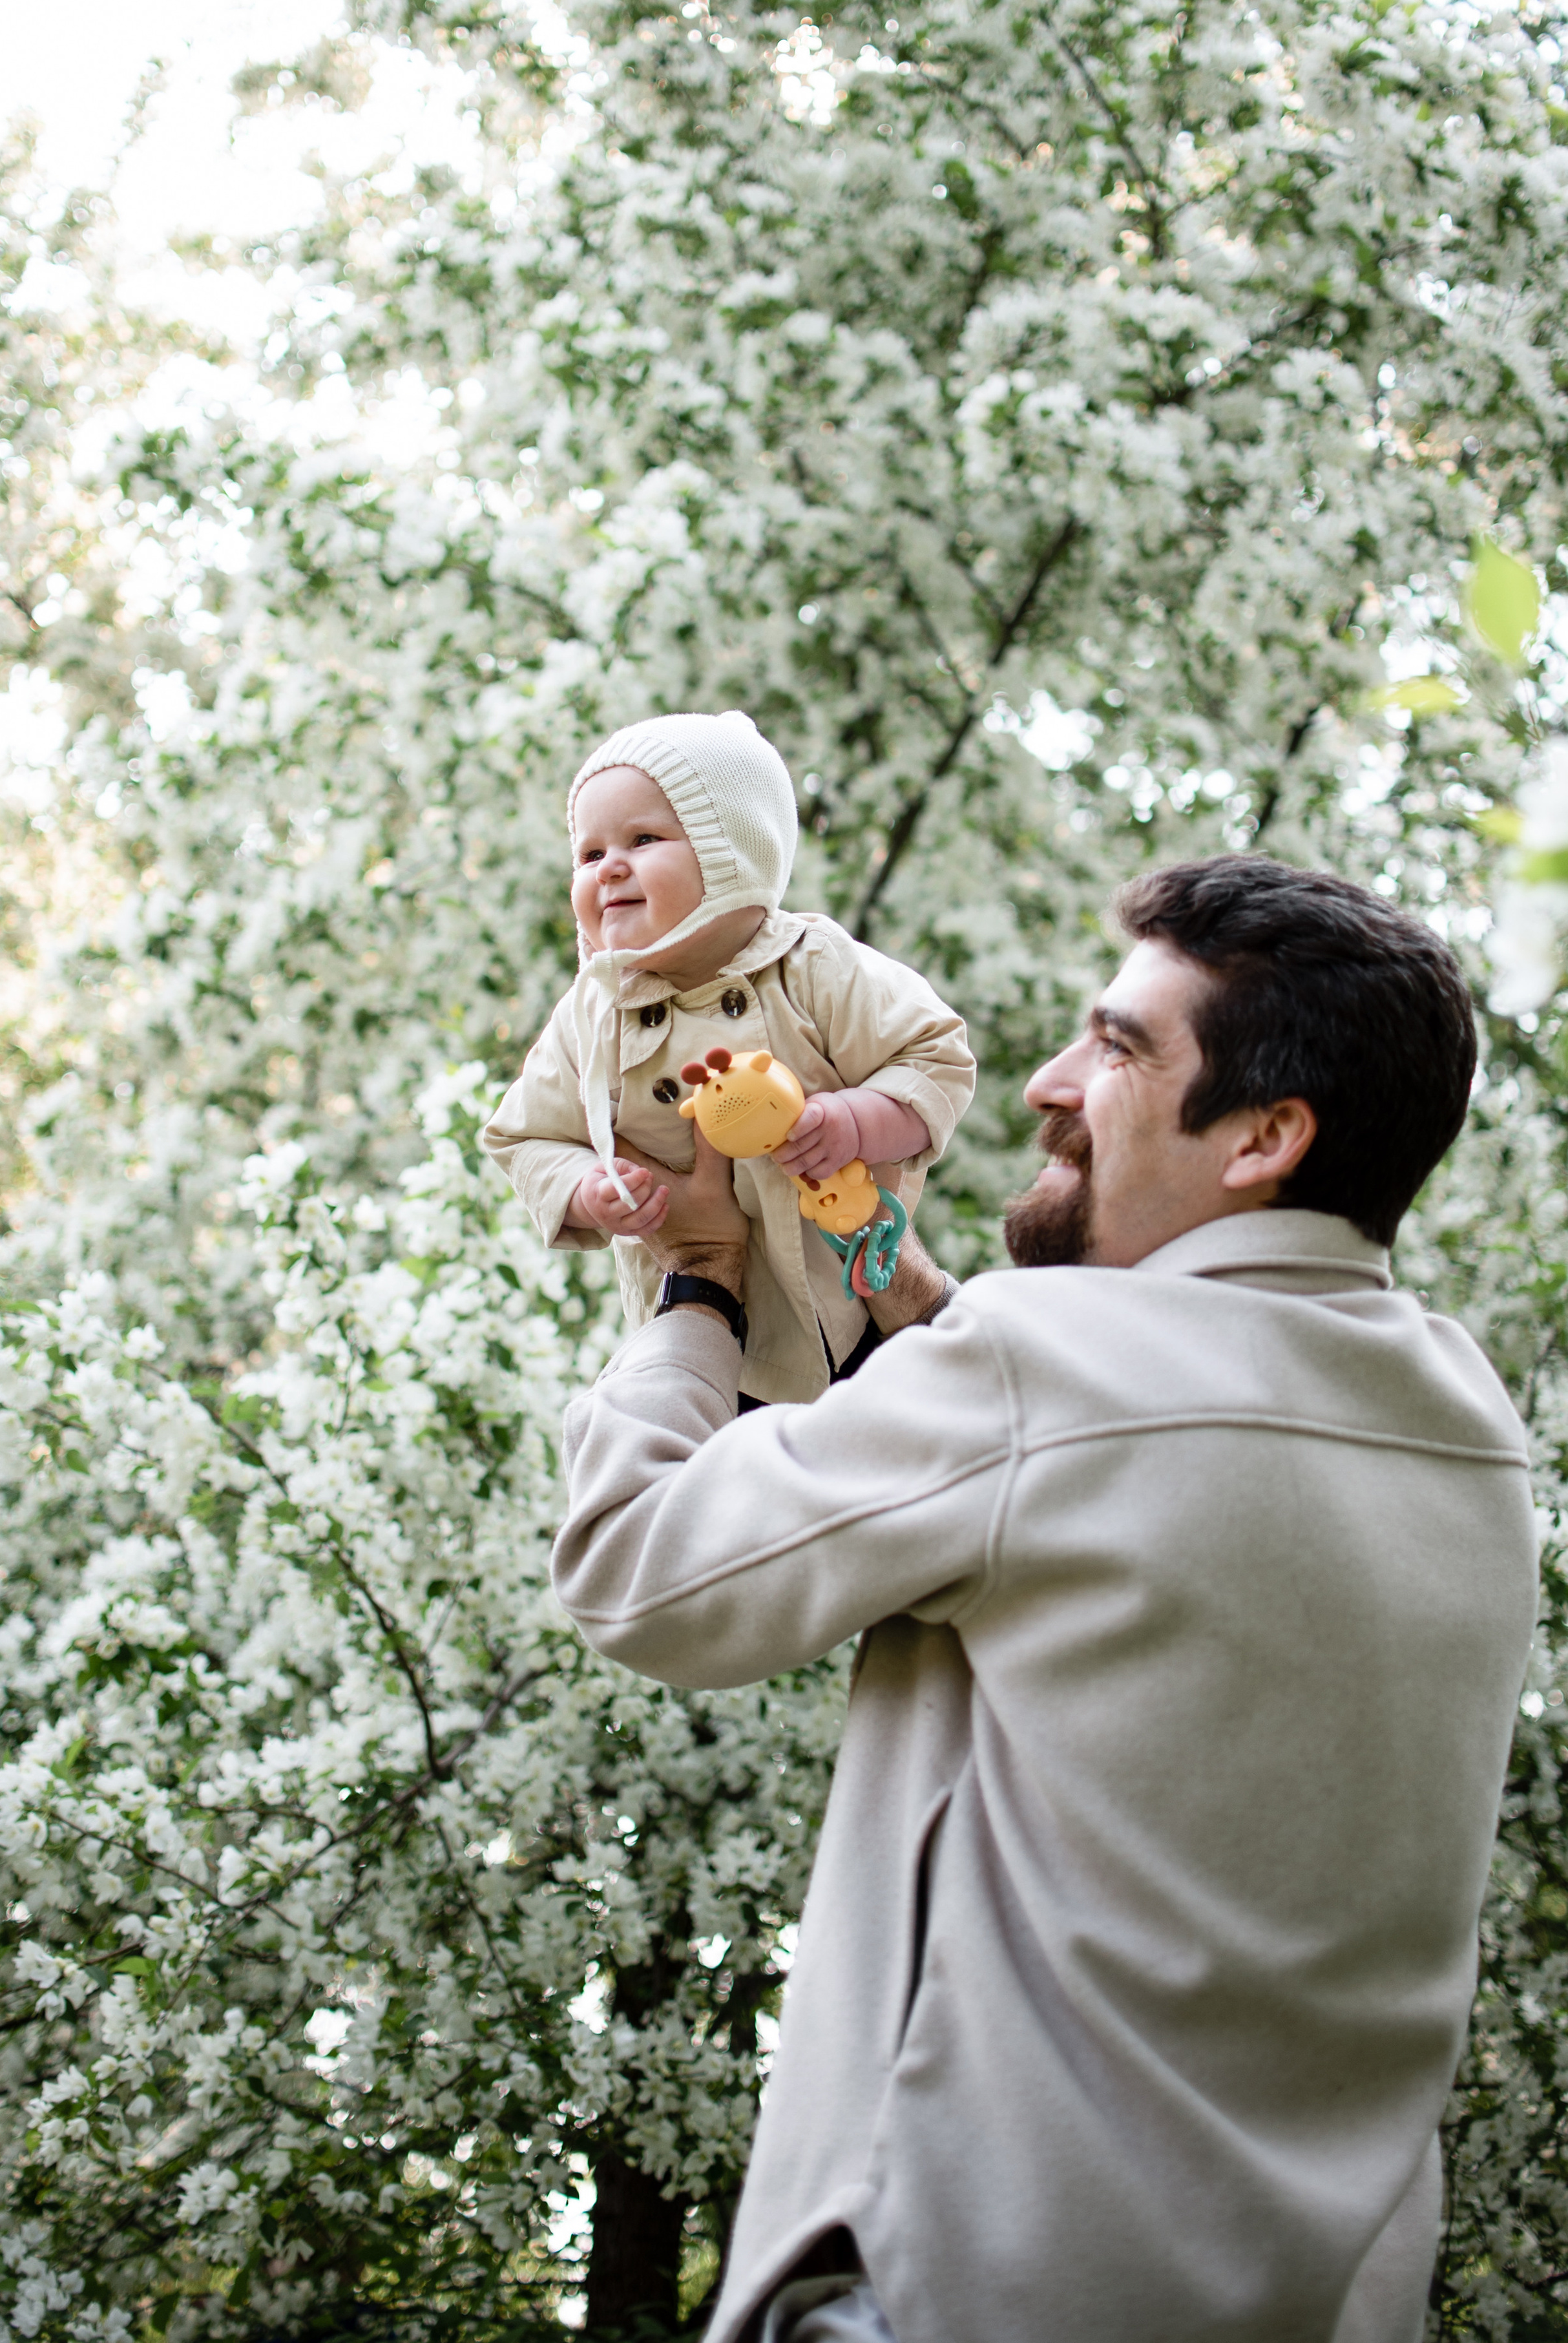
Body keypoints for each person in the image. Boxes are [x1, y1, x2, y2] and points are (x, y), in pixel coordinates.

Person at [556, 855, 1539, 2343]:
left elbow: (639, 1570)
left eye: (1120, 1045)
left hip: (964, 2287)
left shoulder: (1037, 1369)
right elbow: (1120, 1455)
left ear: (1266, 1135)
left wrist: (693, 1283)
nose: (1042, 1078)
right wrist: (884, 1269)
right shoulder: (1465, 1428)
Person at [483, 710, 975, 1405]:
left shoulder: (812, 966)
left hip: (855, 1306)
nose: (610, 866)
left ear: (733, 853)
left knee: (896, 1449)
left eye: (643, 838)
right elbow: (525, 1133)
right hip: (704, 1340)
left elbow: (936, 1056)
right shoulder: (594, 1012)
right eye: (589, 855)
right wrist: (585, 1186)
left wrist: (856, 1122)